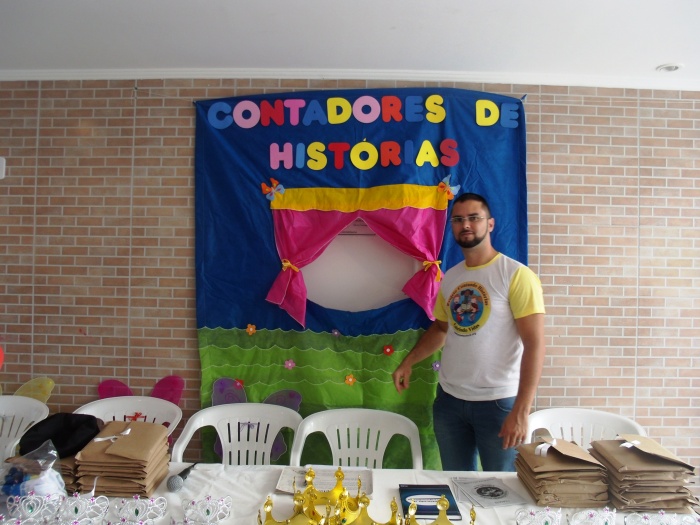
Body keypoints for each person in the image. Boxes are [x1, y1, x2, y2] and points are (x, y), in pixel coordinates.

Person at [392, 192, 545, 471]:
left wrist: (521, 410)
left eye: (474, 218)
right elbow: (441, 329)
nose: (466, 225)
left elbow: (534, 344)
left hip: (498, 403)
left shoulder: (516, 275)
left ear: (490, 224)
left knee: (501, 488)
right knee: (456, 484)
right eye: (458, 219)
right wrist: (408, 362)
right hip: (449, 402)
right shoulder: (451, 277)